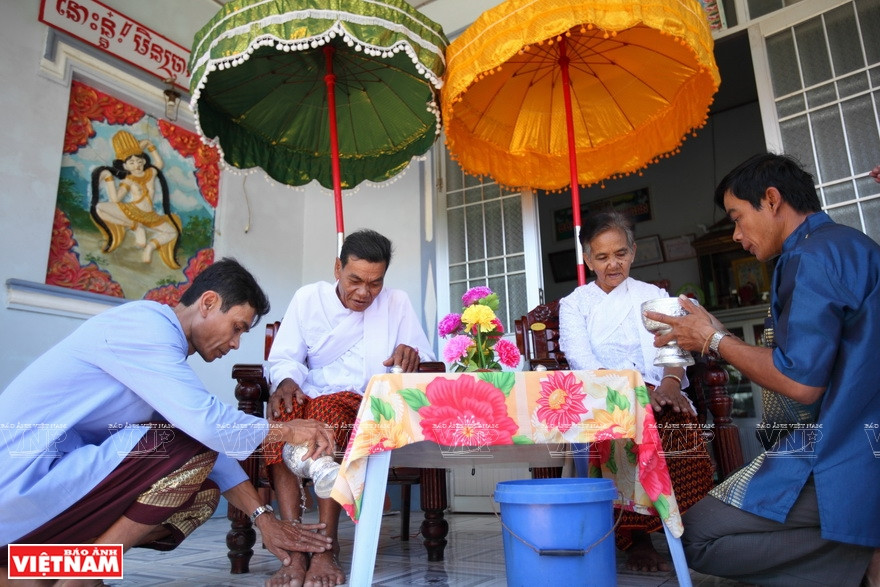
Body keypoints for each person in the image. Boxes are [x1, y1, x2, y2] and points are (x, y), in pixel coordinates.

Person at [0, 258, 336, 586]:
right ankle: (83, 576)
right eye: (237, 327)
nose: (235, 343)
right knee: (185, 449)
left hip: (41, 493)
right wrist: (289, 429)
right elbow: (205, 430)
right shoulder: (145, 328)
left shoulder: (159, 350)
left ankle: (36, 569)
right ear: (208, 302)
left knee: (201, 495)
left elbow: (206, 438)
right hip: (21, 485)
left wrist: (264, 520)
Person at [647, 153, 880, 586]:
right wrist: (716, 335)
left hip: (845, 446)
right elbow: (815, 359)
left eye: (737, 217)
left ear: (771, 200)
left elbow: (800, 382)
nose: (736, 235)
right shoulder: (850, 244)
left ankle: (861, 546)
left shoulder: (807, 258)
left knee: (695, 537)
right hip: (866, 434)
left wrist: (715, 341)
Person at [264, 229, 435, 587]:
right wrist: (285, 382)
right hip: (307, 394)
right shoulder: (308, 298)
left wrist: (412, 356)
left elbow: (426, 361)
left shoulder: (396, 302)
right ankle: (294, 549)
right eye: (355, 280)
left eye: (375, 283)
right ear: (337, 268)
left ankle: (325, 549)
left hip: (363, 403)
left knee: (327, 415)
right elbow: (284, 357)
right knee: (280, 417)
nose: (363, 293)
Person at [559, 211, 715, 573]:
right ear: (588, 260)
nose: (613, 264)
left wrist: (672, 384)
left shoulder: (654, 296)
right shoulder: (575, 305)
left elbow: (674, 349)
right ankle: (637, 538)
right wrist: (635, 391)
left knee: (676, 419)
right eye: (602, 257)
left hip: (661, 389)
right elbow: (582, 362)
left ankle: (691, 527)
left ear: (632, 252)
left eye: (620, 254)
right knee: (631, 424)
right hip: (606, 394)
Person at [90, 130, 182, 269]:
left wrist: (150, 145)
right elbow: (115, 199)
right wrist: (109, 178)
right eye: (132, 162)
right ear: (125, 166)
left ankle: (150, 247)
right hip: (132, 211)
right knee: (99, 208)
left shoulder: (150, 173)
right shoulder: (129, 179)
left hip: (149, 215)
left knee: (172, 232)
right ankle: (135, 226)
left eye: (139, 161)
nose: (137, 165)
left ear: (144, 161)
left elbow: (159, 163)